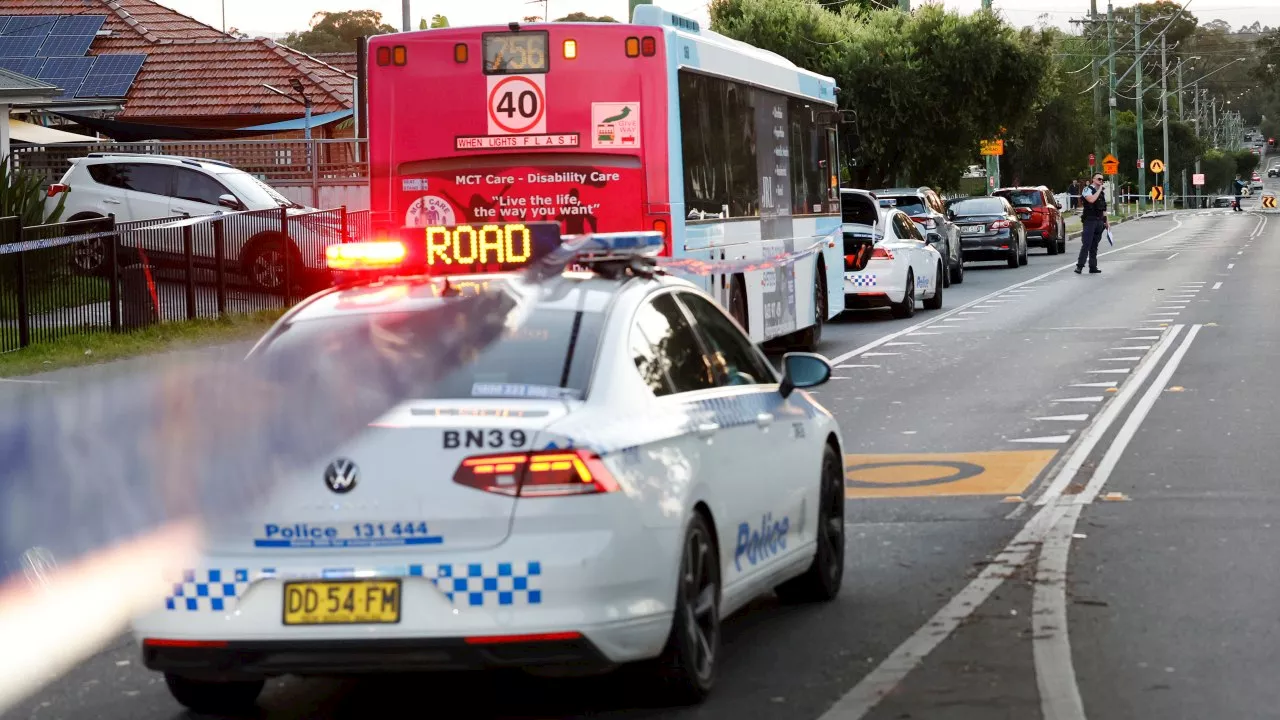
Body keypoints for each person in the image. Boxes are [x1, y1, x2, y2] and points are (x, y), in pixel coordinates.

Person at [1076, 173, 1109, 274]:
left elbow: (1103, 208)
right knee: (1087, 243)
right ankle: (1080, 266)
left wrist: (1107, 222)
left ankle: (1093, 266)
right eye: (1099, 179)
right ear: (1093, 180)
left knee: (1095, 245)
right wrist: (1099, 190)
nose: (1101, 181)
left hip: (1099, 220)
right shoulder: (1087, 189)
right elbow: (1091, 200)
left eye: (1102, 179)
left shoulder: (1102, 193)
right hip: (1090, 220)